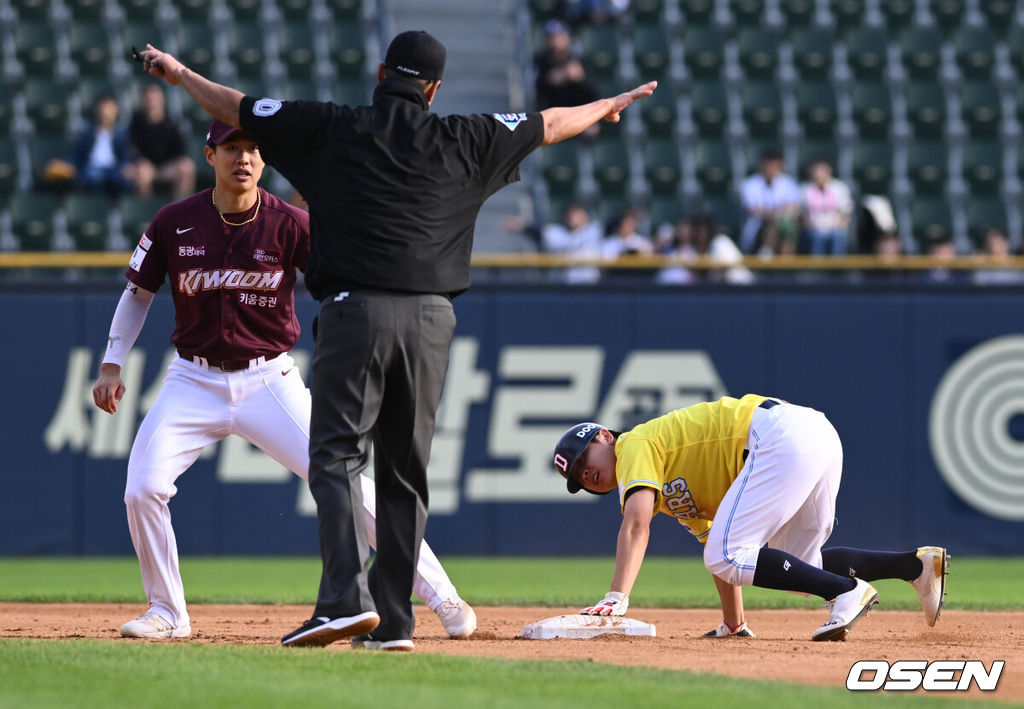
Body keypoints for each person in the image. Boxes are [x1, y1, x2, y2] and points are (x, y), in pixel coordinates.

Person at [135, 32, 656, 651]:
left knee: (335, 460)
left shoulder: (331, 127)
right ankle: (396, 626)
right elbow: (553, 122)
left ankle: (342, 603)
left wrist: (179, 73)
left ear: (380, 72)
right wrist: (607, 105)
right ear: (433, 89)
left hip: (358, 313)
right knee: (404, 474)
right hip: (433, 321)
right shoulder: (469, 135)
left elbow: (235, 106)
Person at [91, 118, 477, 642]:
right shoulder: (173, 221)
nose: (243, 158)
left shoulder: (290, 223)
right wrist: (113, 362)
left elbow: (344, 274)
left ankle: (443, 597)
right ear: (210, 156)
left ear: (265, 159)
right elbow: (137, 293)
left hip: (269, 378)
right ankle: (167, 611)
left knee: (348, 485)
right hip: (192, 380)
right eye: (231, 148)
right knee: (142, 489)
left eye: (253, 148)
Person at [551, 395, 949, 641]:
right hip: (811, 436)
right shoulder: (672, 493)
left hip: (778, 436)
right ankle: (915, 566)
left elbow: (637, 524)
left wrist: (616, 598)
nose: (586, 474)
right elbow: (718, 548)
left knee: (731, 554)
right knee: (794, 566)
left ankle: (845, 591)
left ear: (605, 436)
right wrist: (734, 624)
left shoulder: (633, 445)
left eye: (585, 458)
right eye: (578, 477)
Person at [130, 83, 197, 199]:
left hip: (167, 169)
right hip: (146, 169)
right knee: (142, 172)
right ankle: (148, 212)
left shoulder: (172, 124)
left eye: (154, 98)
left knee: (187, 168)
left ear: (162, 99)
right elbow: (132, 151)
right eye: (148, 98)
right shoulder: (135, 124)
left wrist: (166, 168)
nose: (151, 102)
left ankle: (181, 211)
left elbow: (181, 153)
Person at [70, 93, 139, 196]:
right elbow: (77, 154)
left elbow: (128, 154)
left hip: (116, 169)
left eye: (108, 108)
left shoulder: (123, 133)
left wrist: (128, 166)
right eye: (102, 108)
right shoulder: (87, 133)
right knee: (92, 176)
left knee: (125, 179)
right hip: (91, 168)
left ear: (116, 110)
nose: (105, 112)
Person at [738, 148, 802, 254]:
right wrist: (779, 213)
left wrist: (775, 213)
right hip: (757, 231)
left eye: (776, 166)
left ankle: (782, 261)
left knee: (789, 224)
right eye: (769, 165)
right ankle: (767, 254)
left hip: (785, 228)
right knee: (775, 223)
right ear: (762, 165)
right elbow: (754, 211)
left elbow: (794, 209)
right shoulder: (750, 184)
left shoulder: (788, 183)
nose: (772, 169)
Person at [534, 19, 599, 113]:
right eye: (551, 38)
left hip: (576, 116)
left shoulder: (578, 62)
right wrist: (550, 79)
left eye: (559, 37)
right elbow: (532, 92)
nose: (556, 42)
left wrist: (581, 79)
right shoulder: (539, 63)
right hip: (548, 117)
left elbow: (593, 94)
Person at [541, 200, 604, 284]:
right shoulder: (555, 232)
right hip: (560, 284)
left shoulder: (594, 231)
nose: (572, 217)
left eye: (576, 214)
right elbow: (536, 231)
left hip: (588, 284)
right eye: (570, 214)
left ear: (585, 216)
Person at [800, 158, 852, 256]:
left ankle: (836, 268)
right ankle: (816, 268)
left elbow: (845, 213)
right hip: (813, 228)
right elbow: (803, 216)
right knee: (816, 236)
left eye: (822, 171)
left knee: (837, 235)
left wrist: (836, 225)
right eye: (816, 171)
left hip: (835, 227)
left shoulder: (840, 188)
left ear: (829, 172)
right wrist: (811, 226)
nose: (819, 174)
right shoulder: (805, 189)